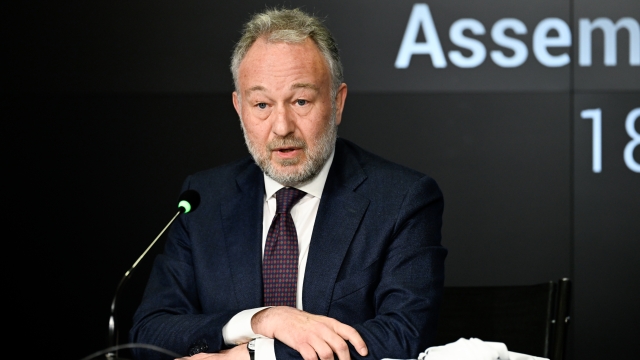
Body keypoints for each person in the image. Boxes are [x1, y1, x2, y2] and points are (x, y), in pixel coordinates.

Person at [129, 7, 446, 360]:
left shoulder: (402, 198)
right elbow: (149, 331)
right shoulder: (203, 198)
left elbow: (404, 336)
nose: (282, 127)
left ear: (337, 103)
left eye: (300, 101)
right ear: (239, 107)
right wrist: (261, 321)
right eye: (262, 104)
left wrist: (256, 355)